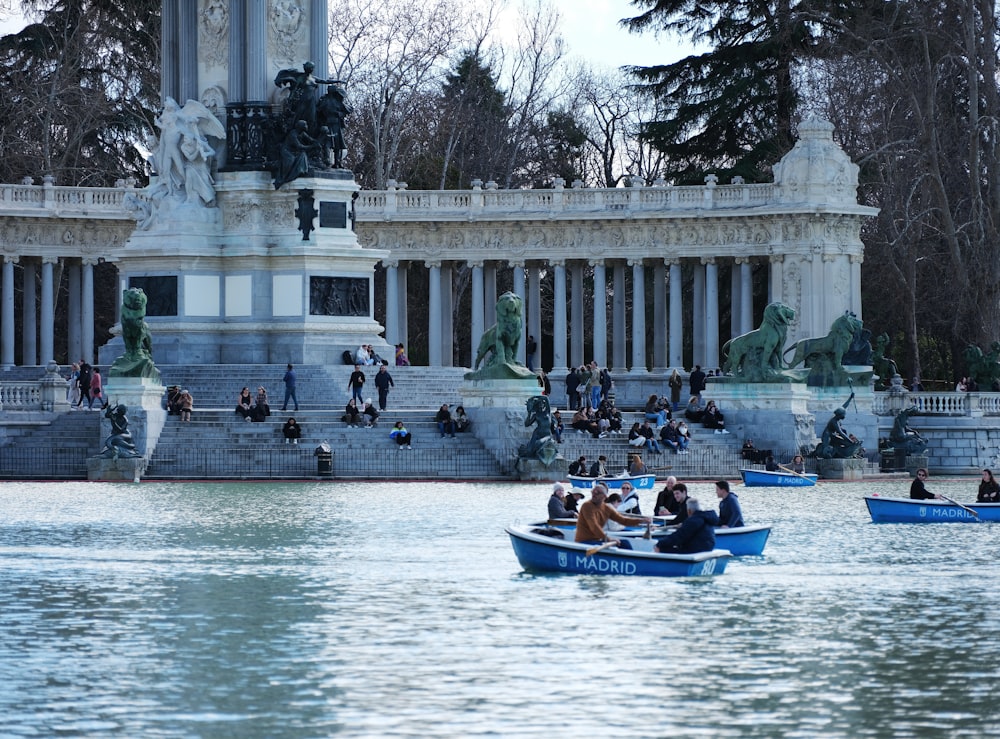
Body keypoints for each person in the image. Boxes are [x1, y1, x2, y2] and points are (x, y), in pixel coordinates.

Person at [574, 483, 651, 550]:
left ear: (604, 496)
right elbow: (594, 526)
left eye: (597, 494)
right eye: (593, 493)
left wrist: (642, 521)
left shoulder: (606, 508)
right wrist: (608, 539)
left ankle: (632, 561)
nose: (594, 495)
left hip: (598, 539)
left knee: (625, 543)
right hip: (585, 540)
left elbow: (622, 520)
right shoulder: (587, 506)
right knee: (620, 544)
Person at [654, 498, 719, 553]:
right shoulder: (706, 518)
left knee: (661, 549)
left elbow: (678, 536)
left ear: (689, 511)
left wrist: (660, 543)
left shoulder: (694, 520)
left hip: (695, 549)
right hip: (707, 548)